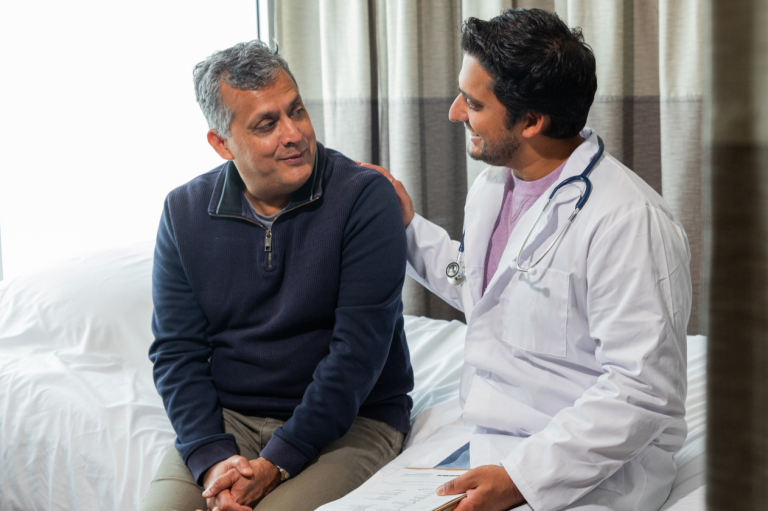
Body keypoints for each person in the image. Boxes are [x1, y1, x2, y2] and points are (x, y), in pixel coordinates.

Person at [366, 9, 691, 511]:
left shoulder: (629, 221)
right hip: (490, 441)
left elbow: (641, 389)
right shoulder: (494, 186)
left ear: (533, 121)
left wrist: (520, 479)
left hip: (589, 469)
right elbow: (478, 284)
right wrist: (407, 228)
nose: (455, 112)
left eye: (474, 103)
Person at [141, 40, 414, 511]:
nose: (294, 134)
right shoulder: (183, 211)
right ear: (221, 143)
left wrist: (276, 463)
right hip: (231, 421)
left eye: (297, 111)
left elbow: (358, 353)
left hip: (353, 422)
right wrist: (212, 458)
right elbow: (177, 352)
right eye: (267, 124)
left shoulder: (364, 198)